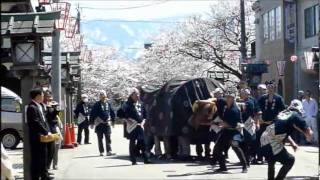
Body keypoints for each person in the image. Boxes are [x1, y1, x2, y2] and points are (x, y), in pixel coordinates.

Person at [260, 99, 313, 180]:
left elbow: (279, 129)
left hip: (264, 137)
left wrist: (292, 143)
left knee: (271, 160)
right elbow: (307, 130)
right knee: (290, 160)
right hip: (272, 140)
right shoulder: (295, 115)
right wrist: (309, 135)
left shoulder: (282, 113)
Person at [210, 90, 248, 173]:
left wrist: (221, 125)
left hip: (235, 130)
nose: (227, 99)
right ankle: (222, 167)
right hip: (226, 131)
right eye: (226, 97)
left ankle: (244, 166)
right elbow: (217, 101)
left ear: (233, 99)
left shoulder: (234, 110)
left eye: (229, 97)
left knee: (235, 146)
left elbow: (233, 124)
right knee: (217, 148)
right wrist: (216, 122)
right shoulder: (226, 106)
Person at [255, 81, 286, 164]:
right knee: (260, 139)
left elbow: (283, 109)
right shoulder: (263, 98)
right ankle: (260, 157)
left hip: (273, 123)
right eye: (269, 87)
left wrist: (280, 118)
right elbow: (257, 107)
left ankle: (274, 157)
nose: (270, 89)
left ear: (274, 88)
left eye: (272, 87)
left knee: (273, 140)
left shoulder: (278, 98)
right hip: (263, 122)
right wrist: (259, 117)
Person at [26, 89, 52, 180]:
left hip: (43, 136)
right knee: (36, 159)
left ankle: (44, 175)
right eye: (42, 95)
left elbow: (44, 121)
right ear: (37, 96)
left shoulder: (39, 105)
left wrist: (48, 131)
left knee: (44, 156)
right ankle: (36, 177)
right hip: (36, 137)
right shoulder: (31, 107)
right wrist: (46, 131)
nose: (43, 97)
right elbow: (35, 122)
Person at [122, 88, 152, 165]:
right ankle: (133, 159)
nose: (138, 95)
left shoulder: (141, 103)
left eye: (138, 94)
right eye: (136, 94)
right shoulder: (127, 104)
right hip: (132, 126)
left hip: (140, 125)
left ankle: (146, 159)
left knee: (143, 142)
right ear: (132, 95)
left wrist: (144, 121)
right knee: (132, 142)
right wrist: (127, 120)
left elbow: (145, 114)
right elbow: (121, 114)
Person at [89, 91, 116, 156]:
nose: (103, 97)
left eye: (104, 96)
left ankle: (109, 151)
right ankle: (101, 151)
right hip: (99, 124)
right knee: (100, 138)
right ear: (99, 97)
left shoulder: (108, 104)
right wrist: (91, 122)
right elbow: (92, 114)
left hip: (107, 123)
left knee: (108, 137)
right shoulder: (96, 104)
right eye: (101, 96)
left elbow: (112, 112)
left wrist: (113, 121)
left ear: (106, 96)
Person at [239, 88, 256, 167]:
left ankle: (248, 158)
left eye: (243, 93)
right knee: (244, 143)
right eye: (242, 92)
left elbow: (245, 107)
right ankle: (246, 159)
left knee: (248, 142)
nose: (241, 94)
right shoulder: (243, 101)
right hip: (243, 123)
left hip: (248, 123)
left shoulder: (249, 102)